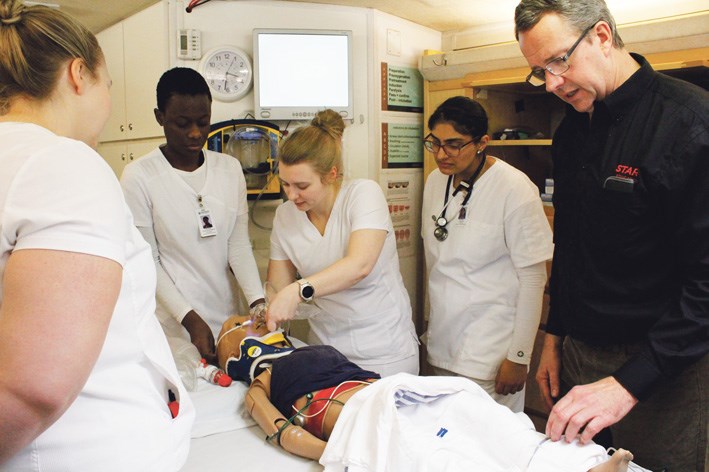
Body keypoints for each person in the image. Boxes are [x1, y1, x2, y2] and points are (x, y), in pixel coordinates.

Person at [514, 1, 709, 470]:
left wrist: (629, 384)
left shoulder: (689, 122)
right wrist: (554, 335)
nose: (553, 84)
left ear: (602, 36)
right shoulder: (572, 132)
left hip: (661, 366)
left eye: (559, 61)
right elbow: (572, 247)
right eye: (539, 72)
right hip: (579, 351)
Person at [0, 1, 194, 469]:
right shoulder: (60, 163)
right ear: (78, 74)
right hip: (87, 451)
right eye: (109, 84)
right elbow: (35, 389)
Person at [215, 315, 643, 472]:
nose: (254, 322)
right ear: (233, 351)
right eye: (241, 326)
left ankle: (571, 465)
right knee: (439, 454)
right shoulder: (263, 380)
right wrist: (325, 453)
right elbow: (274, 426)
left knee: (477, 413)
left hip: (393, 391)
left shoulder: (306, 347)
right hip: (358, 414)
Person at [120, 67, 265, 365]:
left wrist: (258, 304)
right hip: (175, 325)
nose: (196, 133)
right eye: (183, 123)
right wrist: (189, 319)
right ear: (160, 117)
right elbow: (149, 261)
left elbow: (237, 247)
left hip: (228, 320)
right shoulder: (140, 177)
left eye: (203, 122)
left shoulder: (229, 169)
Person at [421, 96, 554, 412]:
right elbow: (437, 265)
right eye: (435, 143)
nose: (441, 154)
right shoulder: (434, 181)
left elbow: (535, 280)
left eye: (454, 145)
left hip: (491, 357)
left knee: (491, 453)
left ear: (483, 142)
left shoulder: (515, 189)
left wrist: (519, 356)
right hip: (441, 345)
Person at [265, 109, 419, 376]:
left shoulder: (363, 195)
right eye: (285, 184)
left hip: (383, 351)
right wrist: (269, 308)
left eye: (301, 185)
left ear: (331, 174)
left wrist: (297, 290)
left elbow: (359, 265)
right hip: (325, 352)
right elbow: (277, 286)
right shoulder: (285, 216)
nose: (292, 195)